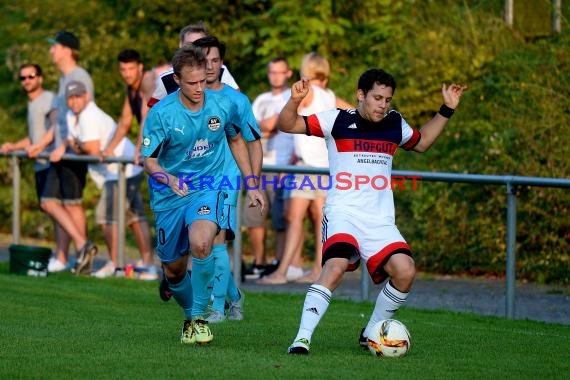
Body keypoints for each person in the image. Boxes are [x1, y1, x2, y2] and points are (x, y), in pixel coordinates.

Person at [279, 69, 466, 354]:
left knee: (405, 272)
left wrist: (447, 109)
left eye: (388, 99)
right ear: (360, 95)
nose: (383, 104)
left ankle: (370, 332)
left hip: (379, 220)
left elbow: (423, 142)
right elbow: (287, 124)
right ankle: (302, 338)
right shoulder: (337, 119)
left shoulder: (394, 123)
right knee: (336, 267)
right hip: (343, 212)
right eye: (377, 98)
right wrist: (294, 101)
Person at [141, 45, 264, 344]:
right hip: (170, 195)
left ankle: (198, 318)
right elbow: (149, 161)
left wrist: (252, 183)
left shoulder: (221, 105)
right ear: (178, 80)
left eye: (203, 82)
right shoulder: (162, 114)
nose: (199, 88)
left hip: (208, 187)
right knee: (173, 269)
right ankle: (190, 314)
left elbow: (236, 140)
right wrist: (168, 178)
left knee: (202, 242)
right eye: (191, 83)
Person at [191, 36, 262, 323]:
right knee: (201, 244)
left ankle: (217, 309)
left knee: (217, 241)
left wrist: (253, 183)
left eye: (216, 60)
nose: (210, 66)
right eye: (204, 60)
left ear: (223, 63)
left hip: (226, 180)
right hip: (195, 180)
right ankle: (235, 296)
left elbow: (253, 142)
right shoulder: (187, 98)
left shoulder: (236, 100)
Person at [59, 80, 153, 278]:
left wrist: (78, 145)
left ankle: (116, 264)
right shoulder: (70, 115)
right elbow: (73, 143)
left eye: (78, 97)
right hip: (119, 170)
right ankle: (147, 265)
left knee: (105, 216)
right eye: (70, 98)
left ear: (86, 96)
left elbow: (91, 149)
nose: (74, 102)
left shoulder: (89, 114)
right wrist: (78, 145)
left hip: (122, 169)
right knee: (134, 217)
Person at [258, 52, 337, 285]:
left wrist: (253, 123)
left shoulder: (308, 91)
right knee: (318, 219)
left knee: (293, 217)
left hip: (307, 166)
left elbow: (279, 121)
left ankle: (283, 271)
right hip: (324, 164)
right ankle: (317, 270)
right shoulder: (329, 95)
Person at [27, 30, 97, 274]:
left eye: (54, 46)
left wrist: (64, 146)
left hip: (71, 153)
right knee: (56, 203)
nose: (51, 51)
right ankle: (73, 253)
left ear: (68, 50)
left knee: (67, 204)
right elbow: (58, 123)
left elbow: (83, 117)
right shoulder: (63, 79)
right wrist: (42, 144)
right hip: (60, 151)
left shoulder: (80, 77)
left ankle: (82, 249)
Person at [243, 57, 300, 280]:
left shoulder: (293, 97)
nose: (275, 76)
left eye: (280, 72)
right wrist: (266, 126)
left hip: (283, 165)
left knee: (280, 218)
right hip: (259, 164)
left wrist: (266, 126)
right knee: (254, 216)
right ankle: (259, 262)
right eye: (272, 72)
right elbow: (250, 129)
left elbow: (271, 125)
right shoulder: (261, 99)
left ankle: (278, 262)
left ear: (288, 73)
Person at [1, 63, 55, 229]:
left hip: (53, 163)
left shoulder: (50, 99)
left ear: (40, 78)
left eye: (31, 76)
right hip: (40, 165)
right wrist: (13, 146)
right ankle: (61, 254)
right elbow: (33, 138)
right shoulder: (32, 104)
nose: (27, 80)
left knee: (56, 209)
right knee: (49, 211)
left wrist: (39, 147)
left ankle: (77, 247)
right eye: (23, 78)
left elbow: (56, 128)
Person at [146, 22, 239, 108]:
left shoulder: (220, 71)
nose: (195, 50)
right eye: (190, 44)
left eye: (200, 44)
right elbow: (154, 111)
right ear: (180, 45)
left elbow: (237, 102)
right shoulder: (167, 79)